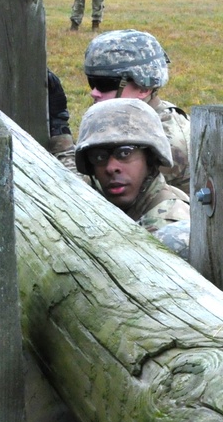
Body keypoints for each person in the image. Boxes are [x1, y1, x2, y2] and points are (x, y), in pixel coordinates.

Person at [70, 29, 190, 193]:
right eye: (92, 82)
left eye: (105, 84)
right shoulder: (130, 118)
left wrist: (61, 141)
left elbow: (83, 192)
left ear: (143, 88)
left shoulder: (167, 140)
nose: (94, 92)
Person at [74, 98, 190, 257]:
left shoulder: (167, 229)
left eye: (125, 153)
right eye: (99, 157)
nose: (111, 168)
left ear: (150, 158)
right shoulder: (94, 196)